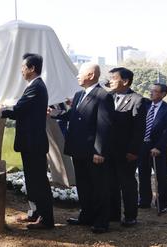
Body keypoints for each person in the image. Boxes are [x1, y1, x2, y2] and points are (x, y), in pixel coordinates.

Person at [50, 63, 113, 233]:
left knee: (98, 187)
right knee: (84, 186)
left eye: (80, 73)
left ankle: (101, 221)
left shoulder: (102, 96)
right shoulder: (79, 95)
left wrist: (99, 151)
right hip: (78, 149)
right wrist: (55, 114)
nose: (77, 76)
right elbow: (73, 115)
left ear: (91, 75)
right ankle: (86, 216)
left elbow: (104, 126)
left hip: (93, 152)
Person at [0, 53, 54, 230]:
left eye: (23, 67)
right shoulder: (33, 86)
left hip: (34, 143)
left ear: (32, 68)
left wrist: (2, 110)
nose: (21, 70)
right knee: (32, 180)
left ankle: (46, 219)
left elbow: (19, 110)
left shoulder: (36, 87)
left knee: (38, 181)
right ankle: (35, 213)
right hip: (30, 143)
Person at [108, 67, 146, 227]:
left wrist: (133, 151)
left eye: (113, 78)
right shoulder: (108, 97)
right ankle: (113, 214)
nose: (110, 80)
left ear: (124, 81)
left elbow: (139, 129)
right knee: (111, 183)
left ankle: (130, 216)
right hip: (109, 150)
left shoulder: (137, 99)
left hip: (126, 152)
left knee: (127, 184)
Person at [138, 83, 167, 213]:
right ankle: (144, 201)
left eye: (155, 91)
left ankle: (162, 203)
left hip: (157, 148)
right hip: (142, 146)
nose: (151, 93)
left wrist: (158, 147)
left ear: (163, 94)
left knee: (161, 177)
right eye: (150, 90)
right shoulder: (144, 104)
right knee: (143, 174)